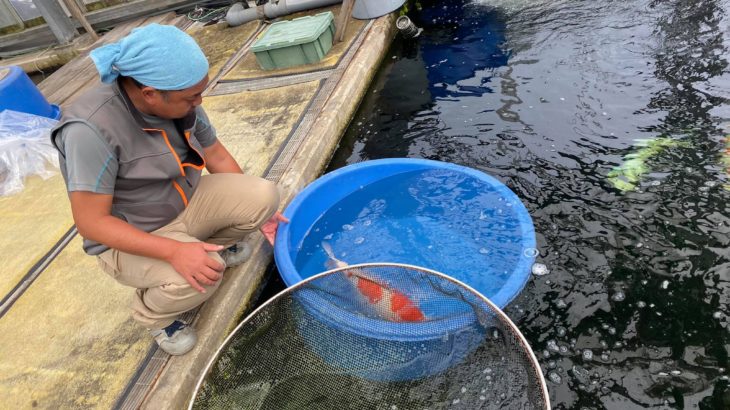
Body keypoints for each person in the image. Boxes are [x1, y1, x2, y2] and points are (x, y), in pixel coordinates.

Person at [50, 24, 288, 355]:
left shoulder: (179, 99)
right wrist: (173, 251)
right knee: (206, 274)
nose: (199, 102)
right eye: (192, 97)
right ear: (149, 93)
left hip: (181, 202)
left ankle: (207, 247)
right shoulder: (89, 131)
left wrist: (258, 211)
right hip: (130, 235)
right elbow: (92, 223)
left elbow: (215, 154)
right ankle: (155, 316)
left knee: (263, 196)